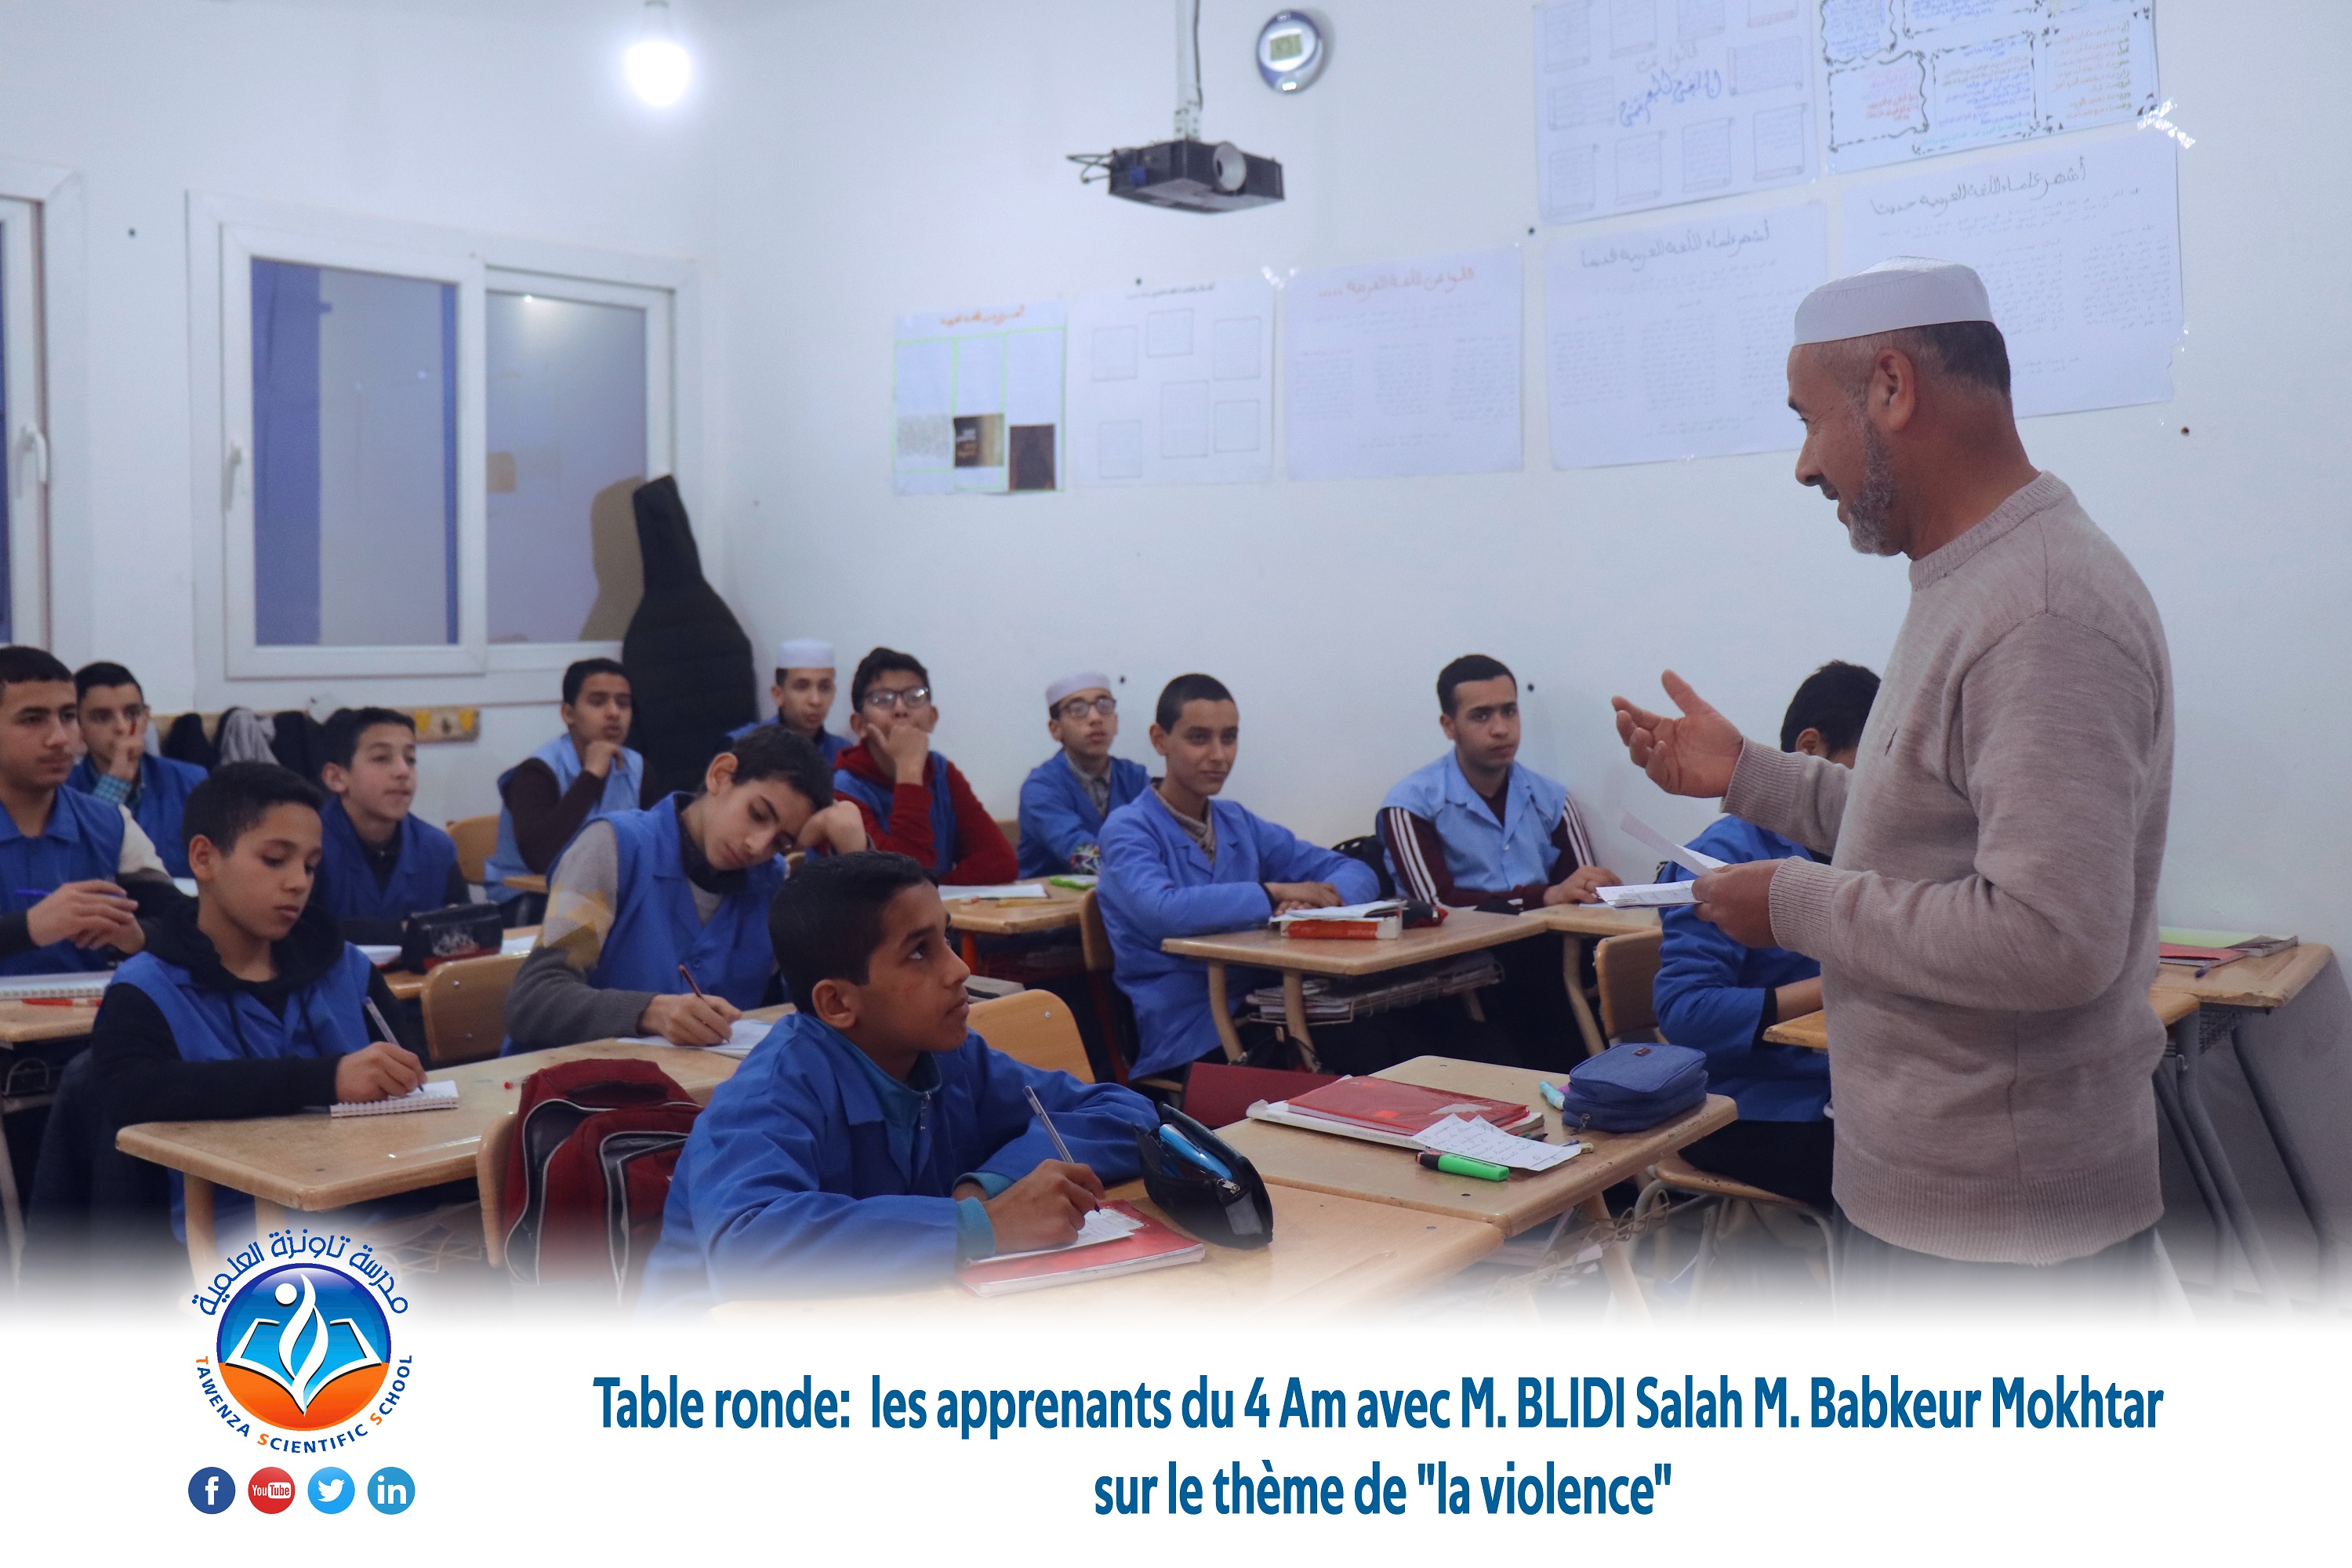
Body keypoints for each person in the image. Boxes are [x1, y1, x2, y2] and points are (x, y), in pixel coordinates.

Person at [1612, 257, 2176, 1308]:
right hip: (1938, 1206)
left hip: (2004, 1247)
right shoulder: (1972, 577)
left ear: (1891, 387)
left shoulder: (2042, 607)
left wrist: (1790, 901)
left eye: (1806, 420)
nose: (1802, 466)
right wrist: (1747, 777)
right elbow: (1922, 822)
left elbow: (2050, 939)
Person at [637, 850, 1156, 1308]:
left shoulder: (949, 1058)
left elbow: (1125, 1113)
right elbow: (745, 1245)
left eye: (947, 938)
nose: (957, 970)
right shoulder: (770, 1092)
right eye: (918, 952)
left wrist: (982, 1189)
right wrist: (982, 1226)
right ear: (838, 1002)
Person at [88, 763, 422, 1240]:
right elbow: (133, 1092)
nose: (298, 882)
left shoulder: (346, 968)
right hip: (238, 1240)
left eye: (309, 865)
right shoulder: (145, 988)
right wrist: (326, 1079)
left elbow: (415, 1086)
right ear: (204, 859)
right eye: (274, 860)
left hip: (377, 1210)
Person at [1651, 660, 1879, 1213]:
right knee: (1913, 1181)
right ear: (1811, 749)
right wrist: (1851, 980)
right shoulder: (1720, 859)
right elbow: (1685, 1012)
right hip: (1749, 1109)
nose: (1885, 795)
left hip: (1845, 1091)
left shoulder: (1864, 850)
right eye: (1873, 769)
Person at [501, 725, 867, 1054]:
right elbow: (533, 1000)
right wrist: (650, 1012)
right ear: (721, 775)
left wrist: (856, 860)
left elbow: (829, 1003)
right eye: (757, 814)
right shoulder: (614, 848)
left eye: (781, 842)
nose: (759, 845)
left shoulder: (771, 883)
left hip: (694, 1103)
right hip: (564, 1097)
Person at [1097, 674, 1379, 1080]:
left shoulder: (1237, 822)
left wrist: (1321, 906)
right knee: (1358, 1052)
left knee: (1390, 1034)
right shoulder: (1128, 828)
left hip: (1269, 1005)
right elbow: (1161, 911)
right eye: (1199, 738)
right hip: (1189, 1027)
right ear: (1160, 740)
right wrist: (1273, 894)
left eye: (1229, 738)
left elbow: (1355, 869)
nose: (1219, 754)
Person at [1379, 654, 1619, 908]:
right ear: (1449, 726)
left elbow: (1584, 897)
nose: (1501, 729)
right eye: (1481, 716)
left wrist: (1591, 890)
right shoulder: (1410, 805)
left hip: (1549, 942)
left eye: (1509, 711)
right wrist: (1546, 897)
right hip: (1460, 946)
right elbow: (1438, 908)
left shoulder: (1553, 800)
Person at [0, 646, 183, 975]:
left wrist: (138, 935)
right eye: (32, 720)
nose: (59, 738)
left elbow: (184, 926)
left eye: (68, 717)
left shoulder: (111, 823)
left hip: (89, 1024)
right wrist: (28, 929)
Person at [829, 647, 1016, 886]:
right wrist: (909, 770)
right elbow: (900, 884)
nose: (901, 710)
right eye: (882, 700)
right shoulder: (842, 791)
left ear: (932, 717)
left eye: (915, 697)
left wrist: (936, 889)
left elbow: (1000, 861)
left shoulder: (941, 771)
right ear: (859, 725)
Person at [483, 657, 643, 904]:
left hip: (601, 896)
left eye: (623, 704)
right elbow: (541, 857)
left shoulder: (638, 768)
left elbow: (657, 846)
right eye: (598, 702)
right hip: (529, 899)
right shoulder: (536, 773)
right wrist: (590, 776)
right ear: (568, 713)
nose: (614, 713)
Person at [310, 707, 466, 946]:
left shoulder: (436, 848)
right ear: (337, 778)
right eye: (382, 758)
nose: (403, 772)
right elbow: (301, 929)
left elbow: (466, 927)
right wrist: (402, 932)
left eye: (410, 760)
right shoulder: (309, 846)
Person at [64, 661, 209, 880]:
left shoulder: (191, 780)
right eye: (102, 717)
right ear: (78, 724)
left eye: (132, 714)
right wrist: (114, 784)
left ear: (146, 717)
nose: (122, 727)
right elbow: (78, 862)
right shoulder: (61, 789)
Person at [1016, 670, 1149, 877]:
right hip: (1052, 904)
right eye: (1078, 709)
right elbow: (1080, 854)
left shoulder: (1135, 777)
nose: (1095, 718)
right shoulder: (1040, 788)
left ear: (1115, 720)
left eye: (1104, 706)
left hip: (1126, 895)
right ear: (1055, 729)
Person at [728, 637, 851, 767]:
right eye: (802, 687)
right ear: (778, 695)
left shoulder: (843, 754)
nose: (816, 700)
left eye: (824, 687)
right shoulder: (741, 746)